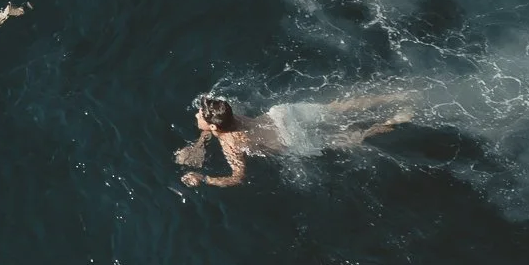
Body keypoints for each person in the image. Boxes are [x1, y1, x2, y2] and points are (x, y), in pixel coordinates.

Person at [175, 92, 411, 188]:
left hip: (291, 139)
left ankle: (396, 122)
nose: (197, 114)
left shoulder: (231, 143)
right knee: (337, 109)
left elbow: (238, 177)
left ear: (215, 126)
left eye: (200, 115)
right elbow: (213, 127)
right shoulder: (230, 115)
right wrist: (199, 144)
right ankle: (393, 96)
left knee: (349, 138)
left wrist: (204, 178)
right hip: (284, 115)